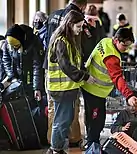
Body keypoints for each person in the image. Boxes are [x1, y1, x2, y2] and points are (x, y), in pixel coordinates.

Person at [81, 28, 137, 148]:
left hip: (93, 87)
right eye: (124, 45)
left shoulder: (105, 41)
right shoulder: (112, 57)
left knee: (95, 118)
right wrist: (129, 95)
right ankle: (92, 145)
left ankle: (92, 143)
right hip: (94, 89)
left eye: (128, 46)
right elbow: (117, 77)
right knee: (96, 120)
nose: (126, 49)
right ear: (116, 40)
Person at [46, 10, 95, 154]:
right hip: (61, 89)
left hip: (67, 88)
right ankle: (56, 149)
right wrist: (85, 77)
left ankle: (56, 148)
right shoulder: (61, 42)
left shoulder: (67, 40)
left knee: (65, 120)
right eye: (78, 27)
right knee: (62, 121)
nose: (80, 30)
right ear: (69, 24)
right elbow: (66, 67)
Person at [2, 24, 43, 100]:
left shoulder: (33, 43)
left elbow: (37, 67)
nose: (15, 48)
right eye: (12, 47)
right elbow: (6, 60)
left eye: (17, 46)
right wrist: (12, 77)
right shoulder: (7, 44)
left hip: (30, 78)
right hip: (16, 79)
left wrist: (37, 88)